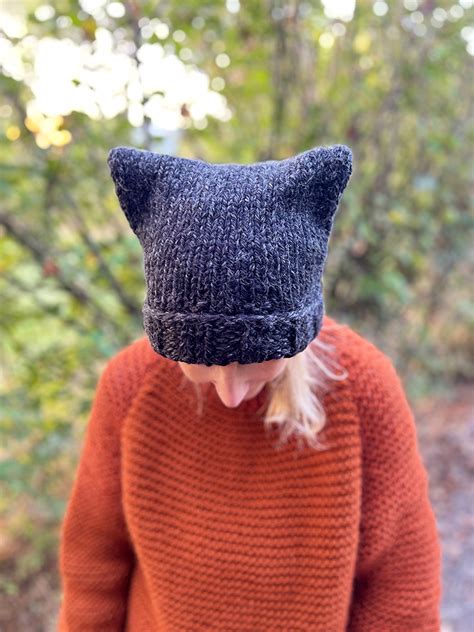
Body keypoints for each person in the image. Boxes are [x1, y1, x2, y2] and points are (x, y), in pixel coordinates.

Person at [57, 144, 441, 630]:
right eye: (201, 362)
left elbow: (400, 588)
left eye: (255, 361)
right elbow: (93, 564)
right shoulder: (130, 388)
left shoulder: (363, 388)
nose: (231, 394)